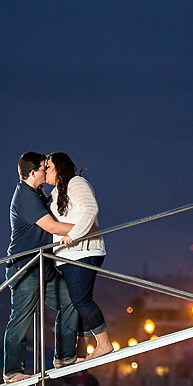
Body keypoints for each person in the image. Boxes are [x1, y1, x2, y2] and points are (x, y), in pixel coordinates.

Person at [3, 152, 80, 384]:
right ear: (33, 172)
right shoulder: (25, 196)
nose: (47, 171)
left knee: (71, 298)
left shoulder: (37, 193)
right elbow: (53, 227)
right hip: (25, 268)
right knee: (21, 318)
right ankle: (12, 371)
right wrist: (86, 227)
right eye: (44, 168)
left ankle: (65, 356)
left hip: (43, 265)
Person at [44, 152, 113, 360]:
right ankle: (82, 348)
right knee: (76, 301)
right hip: (68, 256)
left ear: (58, 167)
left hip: (84, 251)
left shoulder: (76, 183)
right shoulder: (56, 192)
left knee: (81, 300)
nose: (45, 170)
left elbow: (90, 209)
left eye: (48, 166)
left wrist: (72, 235)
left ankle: (104, 343)